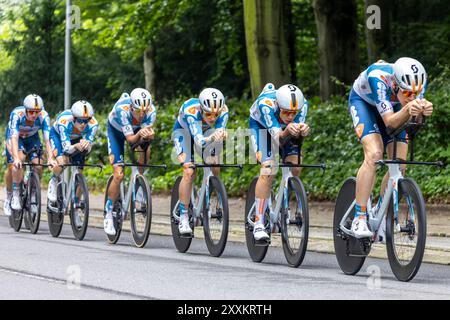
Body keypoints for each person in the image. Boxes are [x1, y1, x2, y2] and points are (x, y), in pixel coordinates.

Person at [349, 57, 433, 239]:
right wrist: (410, 108)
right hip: (365, 104)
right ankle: (360, 216)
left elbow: (413, 124)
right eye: (408, 93)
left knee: (399, 165)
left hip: (394, 107)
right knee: (374, 155)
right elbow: (389, 122)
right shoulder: (378, 78)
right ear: (395, 85)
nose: (414, 97)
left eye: (416, 93)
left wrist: (422, 114)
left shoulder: (416, 85)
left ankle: (380, 210)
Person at [249, 83, 310, 241]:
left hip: (283, 130)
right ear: (277, 105)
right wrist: (289, 129)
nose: (291, 117)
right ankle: (259, 223)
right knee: (268, 168)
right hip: (261, 128)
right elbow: (278, 138)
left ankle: (281, 199)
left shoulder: (303, 106)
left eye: (293, 113)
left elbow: (294, 135)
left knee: (295, 166)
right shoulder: (266, 105)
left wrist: (302, 131)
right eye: (286, 113)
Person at [172, 88, 229, 235]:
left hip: (205, 133)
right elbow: (199, 141)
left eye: (216, 115)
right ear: (201, 109)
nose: (212, 118)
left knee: (214, 165)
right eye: (208, 114)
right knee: (189, 171)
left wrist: (221, 134)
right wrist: (212, 137)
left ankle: (203, 198)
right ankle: (184, 217)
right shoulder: (192, 111)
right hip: (184, 133)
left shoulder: (224, 111)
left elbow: (218, 132)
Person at [104, 88, 156, 236]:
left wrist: (148, 136)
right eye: (139, 111)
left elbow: (143, 139)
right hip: (116, 133)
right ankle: (108, 212)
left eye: (145, 111)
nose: (142, 114)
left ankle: (138, 179)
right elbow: (131, 140)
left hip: (135, 130)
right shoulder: (122, 110)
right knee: (119, 175)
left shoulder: (151, 111)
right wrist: (141, 132)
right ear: (132, 107)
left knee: (147, 149)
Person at [4, 94, 57, 216]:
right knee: (16, 163)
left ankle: (33, 194)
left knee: (38, 165)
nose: (34, 115)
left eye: (37, 112)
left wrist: (50, 157)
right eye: (32, 112)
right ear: (26, 110)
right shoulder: (17, 115)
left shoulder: (44, 116)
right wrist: (16, 158)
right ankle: (12, 195)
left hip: (32, 139)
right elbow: (14, 137)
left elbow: (47, 139)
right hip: (16, 139)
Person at [47, 100, 98, 226]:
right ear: (74, 118)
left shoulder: (93, 124)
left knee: (80, 171)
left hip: (76, 140)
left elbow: (88, 147)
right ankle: (54, 180)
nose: (83, 124)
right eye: (80, 121)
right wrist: (77, 145)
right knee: (62, 161)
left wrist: (86, 145)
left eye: (86, 121)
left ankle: (75, 208)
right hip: (59, 137)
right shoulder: (64, 122)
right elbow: (66, 149)